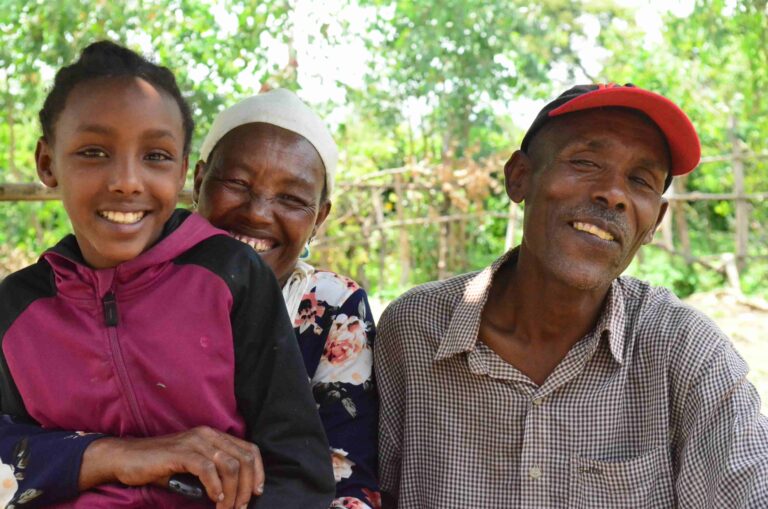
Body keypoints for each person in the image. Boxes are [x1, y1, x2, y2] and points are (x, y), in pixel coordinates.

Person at [375, 83, 768, 508]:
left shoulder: (685, 353)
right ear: (519, 177)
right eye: (585, 162)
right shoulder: (414, 334)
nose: (613, 194)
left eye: (640, 180)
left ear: (656, 221)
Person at [0, 41, 335, 508]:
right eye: (94, 151)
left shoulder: (230, 277)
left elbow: (299, 471)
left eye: (155, 156)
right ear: (46, 163)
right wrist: (114, 456)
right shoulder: (17, 310)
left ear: (182, 172)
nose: (127, 181)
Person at [193, 89, 380, 509]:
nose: (258, 213)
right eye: (238, 183)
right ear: (199, 181)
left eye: (292, 199)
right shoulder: (133, 284)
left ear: (320, 217)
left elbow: (346, 478)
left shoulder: (332, 309)